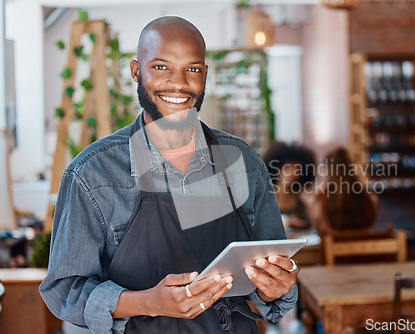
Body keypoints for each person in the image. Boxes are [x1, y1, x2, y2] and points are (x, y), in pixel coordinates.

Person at [40, 16, 299, 334]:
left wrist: (275, 288)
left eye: (192, 69)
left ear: (205, 75)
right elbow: (65, 291)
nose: (178, 83)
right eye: (161, 67)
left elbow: (275, 282)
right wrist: (148, 302)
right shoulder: (92, 174)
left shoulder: (245, 164)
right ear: (136, 71)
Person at [314, 147, 377, 236]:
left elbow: (321, 229)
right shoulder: (368, 197)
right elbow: (370, 226)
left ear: (328, 170)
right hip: (364, 247)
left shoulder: (323, 198)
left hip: (335, 248)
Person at [263, 142, 316, 230]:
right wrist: (288, 221)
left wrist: (310, 204)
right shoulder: (264, 195)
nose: (293, 172)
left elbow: (313, 225)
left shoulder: (301, 198)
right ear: (277, 167)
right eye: (288, 167)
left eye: (297, 169)